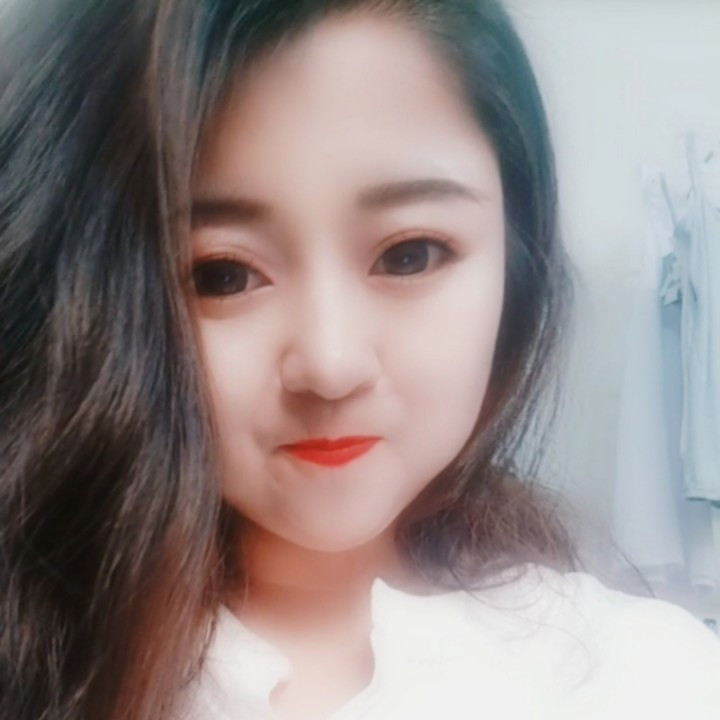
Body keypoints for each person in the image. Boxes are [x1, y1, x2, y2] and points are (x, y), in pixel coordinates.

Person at [1, 1, 718, 719]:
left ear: (515, 257)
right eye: (222, 274)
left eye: (410, 255)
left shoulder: (649, 682)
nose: (331, 364)